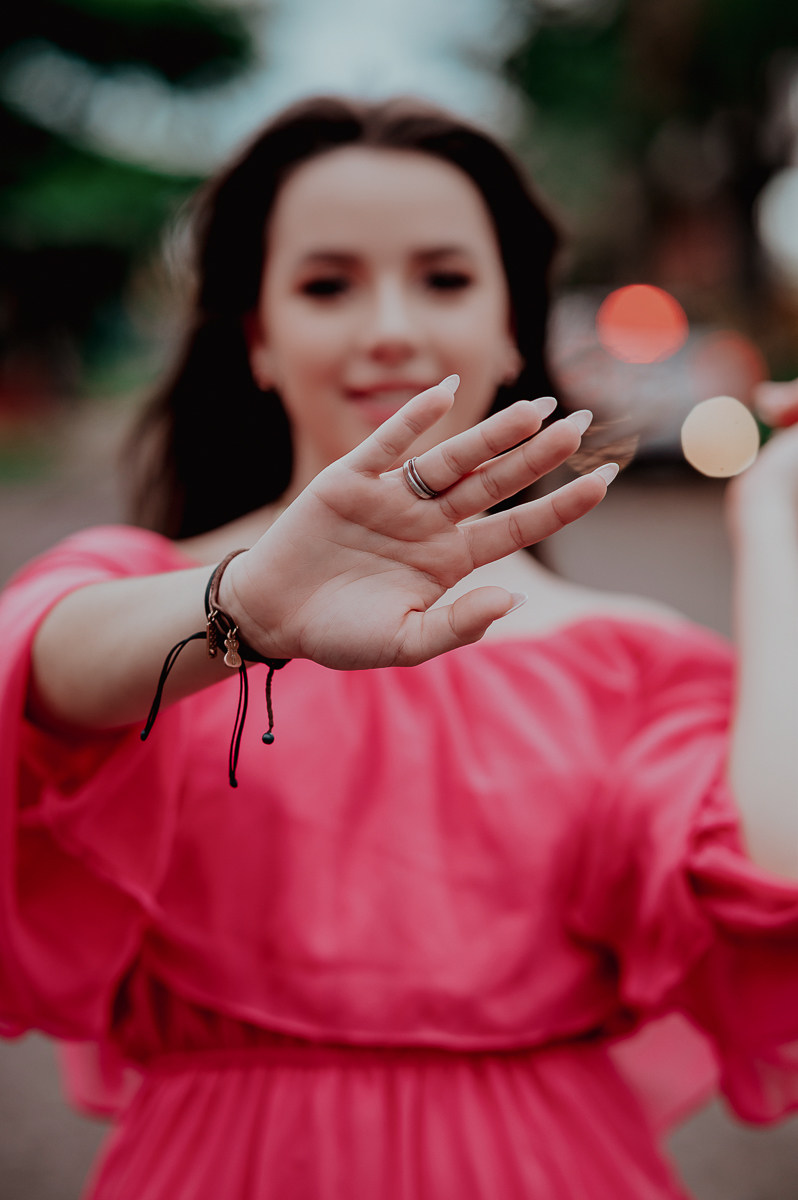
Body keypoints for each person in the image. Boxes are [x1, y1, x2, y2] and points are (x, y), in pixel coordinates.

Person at [2, 95, 798, 1200]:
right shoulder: (139, 604)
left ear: (513, 323)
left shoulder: (628, 658)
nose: (390, 326)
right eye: (327, 284)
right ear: (258, 337)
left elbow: (775, 886)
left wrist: (777, 533)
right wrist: (244, 606)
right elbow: (32, 678)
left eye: (445, 278)